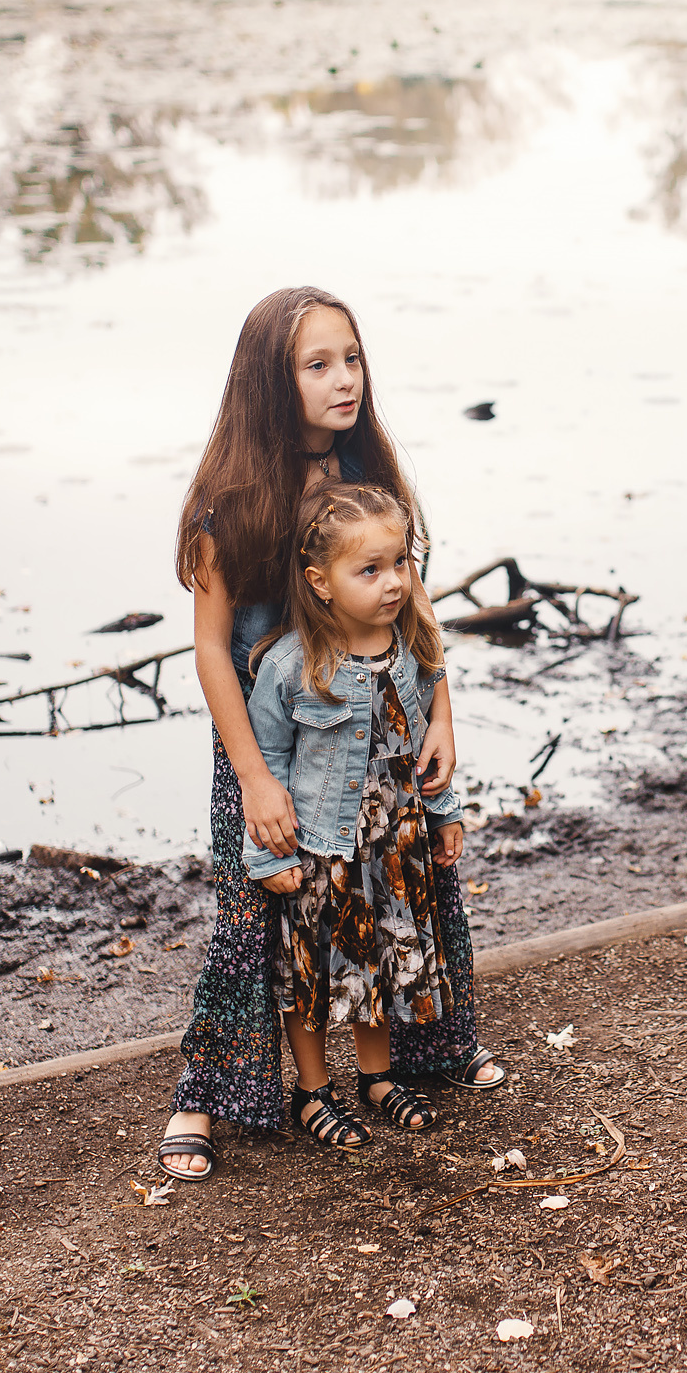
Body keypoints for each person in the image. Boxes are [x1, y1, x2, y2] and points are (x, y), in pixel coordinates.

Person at [155, 287, 503, 1183]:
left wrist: (443, 718)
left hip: (377, 724)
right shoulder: (226, 499)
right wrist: (255, 780)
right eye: (318, 365)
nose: (343, 379)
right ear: (272, 382)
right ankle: (210, 1089)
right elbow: (209, 651)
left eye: (351, 358)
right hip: (269, 740)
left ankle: (424, 1054)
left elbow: (412, 597)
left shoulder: (364, 468)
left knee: (408, 881)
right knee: (256, 909)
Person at [244, 481, 467, 1146]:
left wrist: (444, 811)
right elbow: (269, 766)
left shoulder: (409, 646)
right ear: (320, 581)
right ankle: (312, 1091)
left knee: (380, 966)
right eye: (369, 570)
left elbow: (427, 741)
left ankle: (378, 1075)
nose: (393, 581)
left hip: (394, 847)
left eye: (398, 563)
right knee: (312, 976)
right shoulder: (293, 666)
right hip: (326, 853)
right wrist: (270, 855)